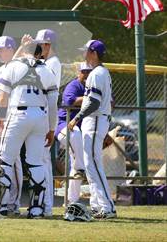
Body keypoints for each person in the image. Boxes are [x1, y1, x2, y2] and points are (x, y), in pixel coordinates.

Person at [0, 40, 58, 218]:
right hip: (40, 117)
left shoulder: (13, 66)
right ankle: (36, 209)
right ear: (38, 54)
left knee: (4, 161)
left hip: (18, 114)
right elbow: (53, 104)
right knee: (36, 162)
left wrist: (1, 119)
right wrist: (52, 129)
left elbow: (3, 97)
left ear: (24, 51)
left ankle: (0, 208)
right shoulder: (47, 70)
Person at [68, 40, 117, 219]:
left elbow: (94, 102)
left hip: (95, 119)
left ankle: (107, 206)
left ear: (94, 53)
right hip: (98, 120)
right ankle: (98, 205)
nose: (84, 55)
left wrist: (77, 117)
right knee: (91, 165)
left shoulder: (97, 73)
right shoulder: (101, 72)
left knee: (93, 164)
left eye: (86, 51)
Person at [0, 35, 23, 215]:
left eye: (2, 49)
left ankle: (13, 203)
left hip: (12, 118)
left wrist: (22, 47)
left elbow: (15, 62)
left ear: (11, 49)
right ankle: (2, 201)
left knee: (13, 160)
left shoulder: (16, 68)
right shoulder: (3, 68)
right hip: (1, 119)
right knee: (2, 161)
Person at [56, 62, 92, 204]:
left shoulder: (95, 86)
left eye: (90, 71)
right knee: (75, 134)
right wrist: (91, 98)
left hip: (82, 130)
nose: (87, 74)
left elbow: (111, 100)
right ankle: (81, 169)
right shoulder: (74, 85)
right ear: (79, 72)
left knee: (76, 164)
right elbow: (70, 100)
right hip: (64, 126)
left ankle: (71, 201)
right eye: (84, 71)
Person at [35, 29, 61, 217]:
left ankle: (47, 206)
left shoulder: (52, 63)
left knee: (44, 161)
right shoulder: (46, 62)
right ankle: (44, 204)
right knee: (40, 160)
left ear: (48, 45)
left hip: (46, 113)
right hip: (41, 112)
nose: (39, 47)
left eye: (41, 44)